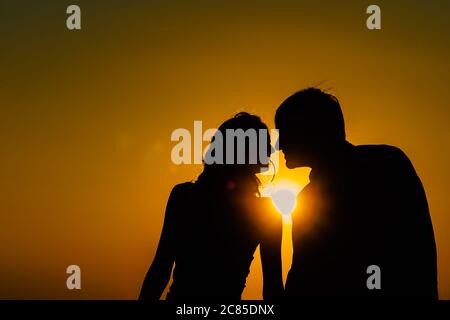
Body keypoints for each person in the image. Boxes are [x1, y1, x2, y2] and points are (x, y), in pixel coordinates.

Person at [275, 88, 438, 299]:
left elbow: (304, 278)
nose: (279, 145)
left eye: (285, 131)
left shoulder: (384, 166)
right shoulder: (389, 161)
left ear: (310, 131)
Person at [140, 112, 283, 301]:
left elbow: (160, 269)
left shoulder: (184, 196)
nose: (271, 151)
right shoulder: (266, 213)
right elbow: (273, 290)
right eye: (265, 144)